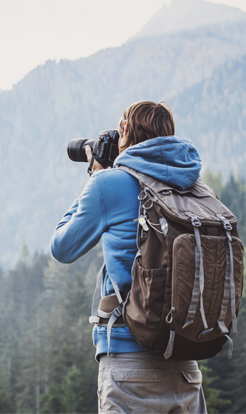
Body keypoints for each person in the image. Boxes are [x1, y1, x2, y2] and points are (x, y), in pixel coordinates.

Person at [50, 100, 207, 413]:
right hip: (187, 365)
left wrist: (96, 176)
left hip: (130, 360)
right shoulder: (194, 186)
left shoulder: (110, 184)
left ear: (124, 130)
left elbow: (62, 247)